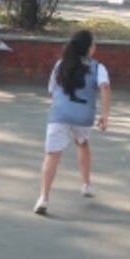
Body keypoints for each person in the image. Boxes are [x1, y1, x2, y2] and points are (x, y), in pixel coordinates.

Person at [33, 30, 111, 215]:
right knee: (82, 143)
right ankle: (86, 184)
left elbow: (51, 90)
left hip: (59, 114)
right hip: (83, 116)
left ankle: (43, 197)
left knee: (52, 155)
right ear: (88, 48)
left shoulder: (61, 64)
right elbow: (105, 87)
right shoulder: (98, 67)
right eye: (93, 44)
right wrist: (105, 114)